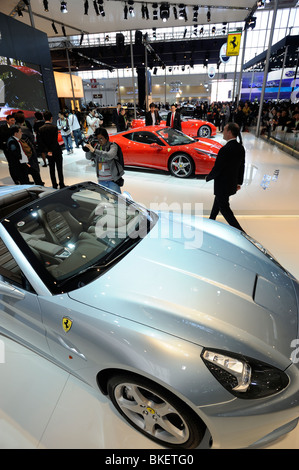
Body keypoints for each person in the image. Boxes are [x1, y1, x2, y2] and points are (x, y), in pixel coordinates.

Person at [206, 122, 245, 232]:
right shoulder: (240, 148)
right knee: (218, 202)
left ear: (229, 132)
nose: (222, 132)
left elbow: (218, 168)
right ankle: (211, 220)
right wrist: (239, 182)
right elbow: (242, 167)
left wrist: (208, 177)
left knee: (224, 209)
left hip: (222, 184)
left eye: (224, 130)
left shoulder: (225, 150)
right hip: (231, 184)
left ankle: (241, 232)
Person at [84, 127, 124, 194]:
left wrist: (94, 151)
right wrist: (88, 148)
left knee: (118, 202)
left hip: (112, 180)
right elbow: (88, 157)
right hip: (101, 180)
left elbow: (109, 156)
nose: (100, 141)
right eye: (98, 139)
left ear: (106, 137)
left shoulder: (113, 146)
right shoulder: (97, 147)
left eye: (101, 138)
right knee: (104, 202)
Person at [38, 111, 66, 189]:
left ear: (44, 118)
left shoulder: (40, 129)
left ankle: (54, 185)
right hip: (56, 151)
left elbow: (41, 142)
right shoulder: (54, 127)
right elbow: (54, 140)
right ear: (51, 118)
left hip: (48, 153)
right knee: (59, 169)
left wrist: (48, 151)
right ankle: (61, 184)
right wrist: (51, 150)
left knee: (51, 169)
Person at [0, 114, 19, 183]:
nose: (13, 122)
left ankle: (20, 177)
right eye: (11, 120)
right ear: (7, 120)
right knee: (11, 163)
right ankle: (15, 179)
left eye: (14, 120)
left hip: (17, 147)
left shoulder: (16, 127)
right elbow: (2, 136)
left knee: (18, 162)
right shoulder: (2, 127)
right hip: (7, 149)